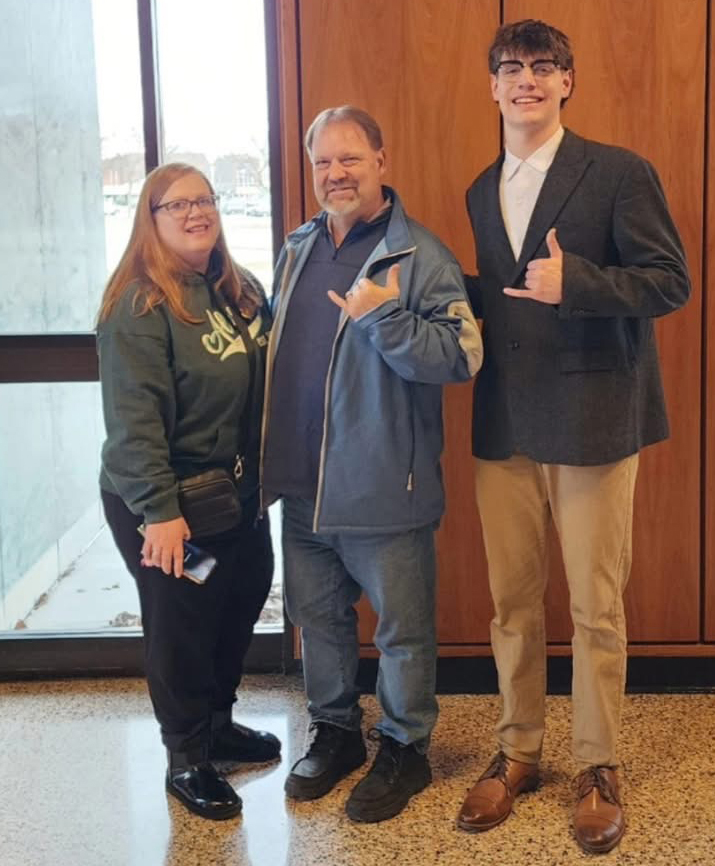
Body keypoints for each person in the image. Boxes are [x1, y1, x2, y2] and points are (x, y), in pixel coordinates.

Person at [456, 20, 690, 853]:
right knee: (512, 605)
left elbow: (671, 282)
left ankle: (599, 765)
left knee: (595, 605)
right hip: (506, 423)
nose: (525, 80)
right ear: (492, 87)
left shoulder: (620, 172)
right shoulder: (482, 189)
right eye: (510, 68)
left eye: (542, 67)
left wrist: (576, 282)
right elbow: (489, 302)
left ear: (567, 82)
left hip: (593, 420)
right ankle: (518, 751)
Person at [261, 106, 482, 823]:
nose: (336, 173)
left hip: (387, 488)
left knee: (401, 632)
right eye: (323, 162)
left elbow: (461, 356)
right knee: (318, 618)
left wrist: (384, 318)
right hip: (304, 486)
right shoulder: (297, 247)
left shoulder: (420, 255)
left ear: (382, 161)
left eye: (350, 158)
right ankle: (334, 733)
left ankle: (405, 747)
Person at [97, 163, 280, 821]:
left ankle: (218, 726)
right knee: (182, 622)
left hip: (234, 499)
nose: (196, 212)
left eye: (204, 199)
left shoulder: (240, 289)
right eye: (177, 205)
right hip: (165, 506)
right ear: (151, 220)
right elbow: (132, 420)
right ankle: (187, 757)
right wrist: (160, 514)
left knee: (239, 601)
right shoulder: (141, 305)